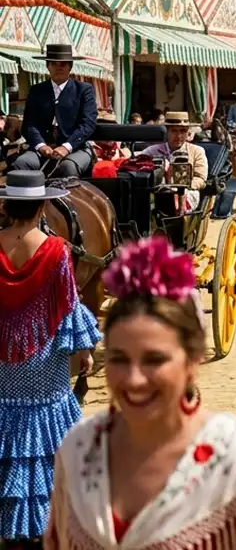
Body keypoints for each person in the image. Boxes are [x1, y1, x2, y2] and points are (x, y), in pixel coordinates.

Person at [48, 237, 236, 549]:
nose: (134, 379)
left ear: (192, 361)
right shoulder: (76, 451)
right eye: (119, 358)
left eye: (155, 360)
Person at [0, 173, 98, 549]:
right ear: (42, 206)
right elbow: (69, 306)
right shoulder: (56, 250)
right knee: (48, 439)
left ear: (7, 206)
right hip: (45, 359)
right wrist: (84, 349)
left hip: (5, 359)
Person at [14, 44, 98, 178]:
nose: (59, 67)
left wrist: (67, 147)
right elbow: (29, 124)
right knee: (22, 163)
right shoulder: (36, 91)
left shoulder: (84, 90)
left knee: (67, 167)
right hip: (42, 148)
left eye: (63, 64)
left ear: (70, 67)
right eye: (54, 64)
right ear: (48, 66)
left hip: (76, 148)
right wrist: (41, 146)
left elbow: (88, 124)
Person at [139, 112, 208, 214]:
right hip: (156, 194)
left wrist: (183, 186)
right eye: (174, 131)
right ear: (167, 132)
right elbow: (136, 164)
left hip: (187, 194)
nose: (179, 136)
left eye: (183, 131)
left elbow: (201, 178)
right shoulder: (152, 151)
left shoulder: (197, 151)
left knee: (174, 198)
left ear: (188, 133)